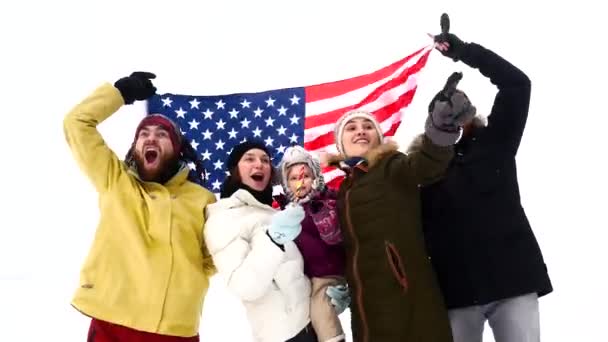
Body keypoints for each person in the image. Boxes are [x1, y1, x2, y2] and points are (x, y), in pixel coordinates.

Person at [420, 14, 553, 342]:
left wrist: (464, 52)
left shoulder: (495, 142)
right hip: (456, 290)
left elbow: (517, 85)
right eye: (446, 115)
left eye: (460, 110)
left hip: (513, 280)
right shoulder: (423, 168)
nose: (456, 119)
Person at [63, 72, 217, 341]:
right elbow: (76, 123)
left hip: (175, 328)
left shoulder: (202, 199)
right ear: (135, 148)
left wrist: (184, 286)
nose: (150, 139)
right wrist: (120, 93)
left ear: (177, 149)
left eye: (161, 134)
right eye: (143, 134)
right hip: (113, 322)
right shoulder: (115, 179)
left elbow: (214, 256)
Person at [322, 101, 469, 341]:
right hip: (366, 314)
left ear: (378, 138)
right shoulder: (344, 190)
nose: (360, 130)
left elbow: (425, 164)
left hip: (409, 302)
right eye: (351, 128)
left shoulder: (393, 166)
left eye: (368, 126)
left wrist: (440, 130)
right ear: (340, 145)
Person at [203, 141, 350, 342]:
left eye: (265, 160)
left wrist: (329, 296)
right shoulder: (224, 218)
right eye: (249, 158)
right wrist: (273, 240)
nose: (259, 164)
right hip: (284, 336)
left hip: (312, 328)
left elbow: (300, 270)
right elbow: (245, 287)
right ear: (234, 170)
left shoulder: (275, 212)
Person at [277, 145, 348, 342]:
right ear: (286, 184)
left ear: (316, 177)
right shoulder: (288, 212)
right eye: (293, 178)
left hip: (330, 272)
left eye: (306, 175)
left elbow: (337, 234)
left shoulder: (330, 199)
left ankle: (333, 339)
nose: (301, 181)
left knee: (320, 306)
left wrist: (323, 210)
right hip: (308, 275)